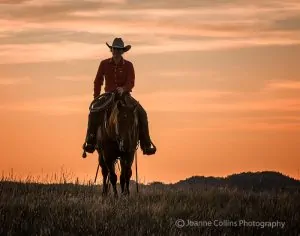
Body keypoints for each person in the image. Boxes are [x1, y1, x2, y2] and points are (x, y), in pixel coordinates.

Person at [82, 37, 157, 155]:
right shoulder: (104, 64)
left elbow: (131, 82)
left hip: (124, 95)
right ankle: (90, 141)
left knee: (142, 112)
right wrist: (96, 98)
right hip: (108, 96)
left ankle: (146, 144)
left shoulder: (129, 65)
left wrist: (124, 88)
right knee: (93, 112)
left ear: (122, 51)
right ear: (111, 50)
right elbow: (98, 81)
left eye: (119, 50)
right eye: (114, 49)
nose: (116, 52)